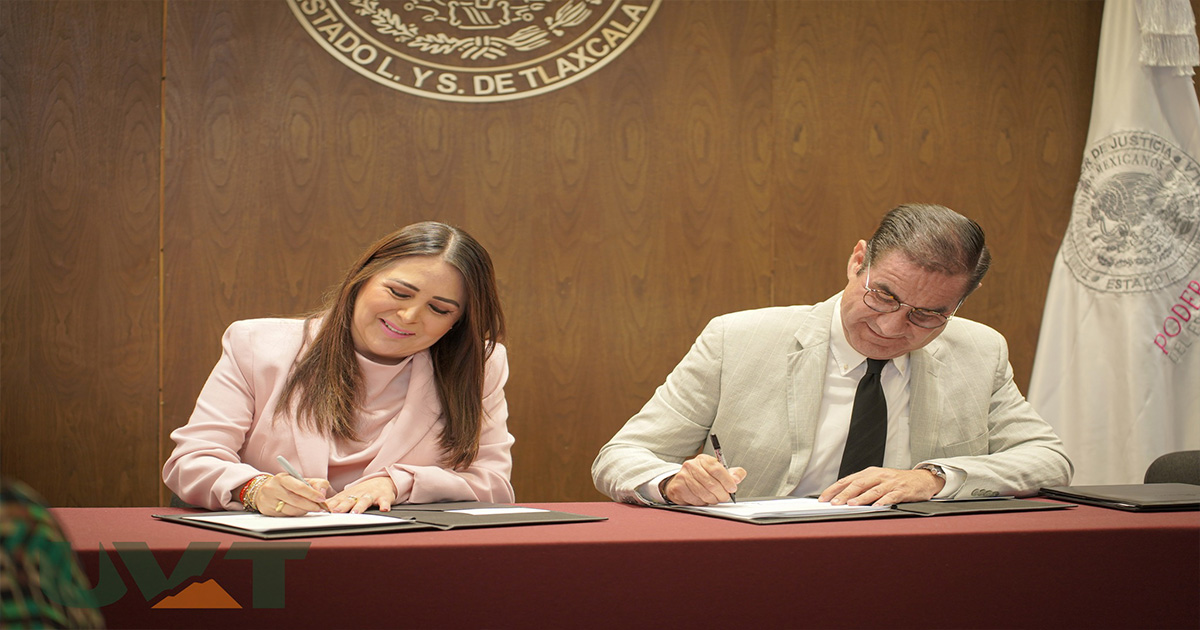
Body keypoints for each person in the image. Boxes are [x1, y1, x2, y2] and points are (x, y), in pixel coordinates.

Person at [592, 203, 1072, 507]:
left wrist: (934, 479)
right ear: (857, 261)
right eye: (882, 296)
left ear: (961, 302)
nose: (891, 327)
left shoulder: (979, 351)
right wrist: (673, 481)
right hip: (765, 564)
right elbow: (621, 456)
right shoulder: (737, 339)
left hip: (920, 567)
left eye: (928, 315)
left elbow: (1048, 460)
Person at [163, 221, 513, 516]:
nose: (409, 317)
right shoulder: (256, 344)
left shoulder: (480, 366)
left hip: (398, 559)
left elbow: (494, 484)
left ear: (457, 322)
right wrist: (254, 489)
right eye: (399, 292)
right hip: (273, 554)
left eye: (439, 309)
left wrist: (398, 482)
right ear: (362, 278)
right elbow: (192, 461)